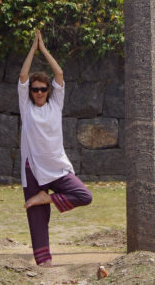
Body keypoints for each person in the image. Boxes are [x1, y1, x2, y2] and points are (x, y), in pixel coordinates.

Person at [18, 30, 93, 267]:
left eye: (42, 89)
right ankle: (44, 262)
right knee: (36, 217)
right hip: (33, 167)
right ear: (30, 92)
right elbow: (23, 75)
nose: (39, 93)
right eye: (35, 89)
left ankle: (46, 198)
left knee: (84, 195)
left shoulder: (56, 104)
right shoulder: (26, 107)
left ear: (49, 91)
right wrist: (32, 49)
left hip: (57, 166)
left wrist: (43, 49)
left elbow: (59, 73)